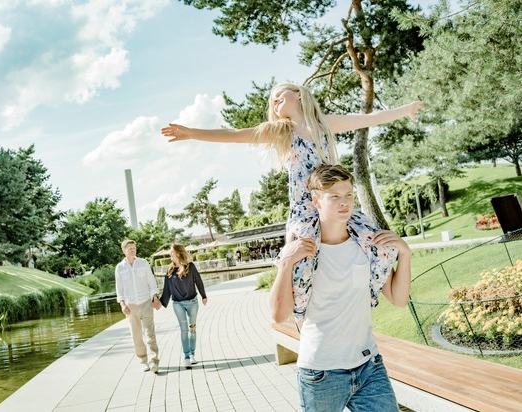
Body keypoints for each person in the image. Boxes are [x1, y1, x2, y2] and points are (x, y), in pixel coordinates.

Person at [161, 82, 421, 323]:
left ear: (298, 94)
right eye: (271, 102)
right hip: (306, 212)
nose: (274, 103)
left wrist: (405, 109)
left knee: (380, 242)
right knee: (302, 260)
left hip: (336, 203)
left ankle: (372, 291)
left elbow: (367, 119)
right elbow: (236, 134)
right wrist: (192, 132)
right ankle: (302, 313)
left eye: (278, 96)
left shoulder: (324, 125)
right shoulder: (281, 130)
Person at [269, 165, 411, 412]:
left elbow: (398, 299)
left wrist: (405, 254)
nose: (344, 203)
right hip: (321, 373)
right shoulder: (301, 254)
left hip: (369, 366)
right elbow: (279, 316)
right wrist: (285, 263)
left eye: (348, 195)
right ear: (316, 201)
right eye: (335, 196)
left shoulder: (367, 245)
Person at [115, 239, 162, 373]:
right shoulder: (120, 267)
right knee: (136, 335)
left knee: (150, 333)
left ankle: (154, 360)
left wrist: (155, 298)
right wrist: (122, 304)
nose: (133, 250)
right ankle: (143, 360)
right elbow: (119, 289)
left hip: (145, 302)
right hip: (130, 306)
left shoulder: (143, 263)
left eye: (134, 248)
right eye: (130, 248)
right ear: (124, 250)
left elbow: (151, 281)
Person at [159, 243, 208, 369]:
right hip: (178, 304)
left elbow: (198, 280)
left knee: (192, 330)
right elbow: (167, 290)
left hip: (192, 303)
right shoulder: (170, 270)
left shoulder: (190, 267)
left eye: (171, 252)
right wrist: (160, 303)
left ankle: (192, 355)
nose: (170, 254)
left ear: (178, 253)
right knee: (184, 330)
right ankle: (186, 357)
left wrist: (203, 295)